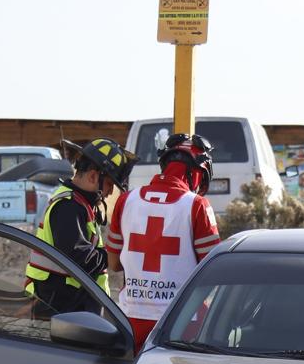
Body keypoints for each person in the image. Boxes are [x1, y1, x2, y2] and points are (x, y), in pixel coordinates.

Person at [106, 132, 222, 350]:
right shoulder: (197, 205)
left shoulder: (126, 200)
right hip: (181, 322)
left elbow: (113, 264)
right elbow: (212, 271)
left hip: (130, 319)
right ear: (198, 173)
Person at [25, 138, 135, 316]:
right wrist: (115, 254)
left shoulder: (81, 204)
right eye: (109, 184)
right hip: (61, 309)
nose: (110, 192)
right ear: (93, 176)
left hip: (71, 307)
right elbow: (81, 259)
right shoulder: (68, 207)